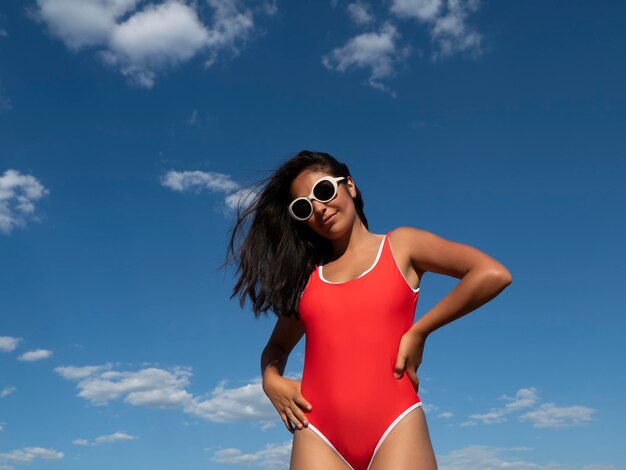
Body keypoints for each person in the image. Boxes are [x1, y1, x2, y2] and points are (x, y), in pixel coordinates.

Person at [225, 150, 512, 470]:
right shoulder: (307, 278)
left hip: (396, 426)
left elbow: (491, 274)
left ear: (349, 185)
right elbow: (276, 347)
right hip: (317, 434)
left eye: (323, 191)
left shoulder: (402, 245)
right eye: (304, 207)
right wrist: (270, 380)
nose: (319, 209)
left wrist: (420, 331)